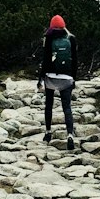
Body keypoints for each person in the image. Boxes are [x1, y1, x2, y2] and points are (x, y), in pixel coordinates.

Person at [37, 14, 78, 149]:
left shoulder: (48, 39)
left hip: (51, 77)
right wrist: (73, 79)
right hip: (66, 78)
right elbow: (75, 61)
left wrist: (40, 79)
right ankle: (70, 135)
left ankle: (48, 132)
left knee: (49, 104)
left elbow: (45, 61)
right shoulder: (71, 39)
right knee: (67, 107)